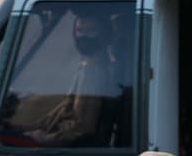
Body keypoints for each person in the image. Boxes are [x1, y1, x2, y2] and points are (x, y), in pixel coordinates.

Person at [22, 13, 119, 147]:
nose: (84, 36)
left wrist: (46, 139)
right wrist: (31, 128)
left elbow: (82, 127)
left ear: (104, 34)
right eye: (80, 30)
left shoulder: (93, 71)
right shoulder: (89, 67)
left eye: (91, 31)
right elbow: (65, 109)